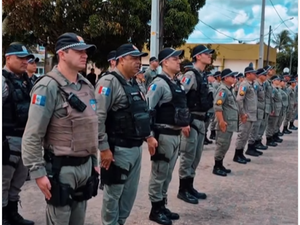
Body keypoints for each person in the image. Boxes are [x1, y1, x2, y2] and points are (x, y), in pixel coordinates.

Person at [22, 32, 100, 225]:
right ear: (62, 54)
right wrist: (38, 173)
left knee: (78, 220)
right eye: (79, 51)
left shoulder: (86, 86)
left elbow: (90, 126)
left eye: (86, 52)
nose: (85, 55)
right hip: (61, 169)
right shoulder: (48, 87)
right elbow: (32, 135)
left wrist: (94, 161)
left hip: (85, 167)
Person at [96, 44, 152, 225]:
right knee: (113, 195)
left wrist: (149, 136)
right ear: (120, 60)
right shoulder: (108, 82)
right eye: (133, 58)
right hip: (117, 150)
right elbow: (98, 117)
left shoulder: (135, 82)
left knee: (129, 195)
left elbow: (140, 114)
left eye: (139, 59)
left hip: (135, 148)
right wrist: (104, 148)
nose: (138, 63)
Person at [146, 47, 190, 225]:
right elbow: (147, 110)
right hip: (163, 135)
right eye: (175, 59)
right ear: (165, 62)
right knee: (159, 173)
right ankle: (155, 210)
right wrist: (149, 137)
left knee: (168, 174)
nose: (179, 61)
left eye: (179, 59)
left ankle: (162, 204)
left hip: (175, 134)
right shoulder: (159, 83)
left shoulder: (176, 82)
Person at [2, 43, 35, 225]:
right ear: (8, 58)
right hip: (7, 140)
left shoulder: (26, 80)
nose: (25, 61)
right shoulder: (3, 81)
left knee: (19, 180)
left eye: (26, 58)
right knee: (3, 182)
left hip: (25, 139)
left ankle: (13, 214)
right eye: (20, 58)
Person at [178, 45, 214, 204]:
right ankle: (182, 189)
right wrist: (183, 121)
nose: (210, 56)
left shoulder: (202, 75)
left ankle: (190, 186)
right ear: (198, 56)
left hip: (200, 120)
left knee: (196, 156)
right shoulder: (190, 75)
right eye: (207, 54)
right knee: (188, 154)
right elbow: (179, 97)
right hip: (191, 121)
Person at [212, 68, 239, 176]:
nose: (234, 78)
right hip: (224, 123)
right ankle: (216, 166)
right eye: (232, 76)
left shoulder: (229, 89)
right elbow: (217, 106)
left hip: (229, 123)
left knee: (225, 145)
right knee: (221, 144)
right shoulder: (223, 90)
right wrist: (221, 121)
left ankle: (220, 164)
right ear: (226, 78)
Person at [234, 66, 260, 164]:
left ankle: (241, 153)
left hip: (251, 115)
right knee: (242, 135)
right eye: (253, 73)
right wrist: (243, 113)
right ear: (248, 74)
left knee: (246, 135)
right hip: (246, 115)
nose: (255, 75)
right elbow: (239, 100)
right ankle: (237, 155)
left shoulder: (251, 84)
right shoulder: (244, 84)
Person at [258, 65, 277, 147]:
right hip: (263, 106)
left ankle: (259, 141)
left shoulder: (268, 82)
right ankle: (257, 142)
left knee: (263, 125)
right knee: (260, 125)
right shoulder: (264, 83)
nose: (271, 71)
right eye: (269, 70)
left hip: (267, 106)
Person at [252, 68, 268, 150]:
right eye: (264, 75)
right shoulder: (256, 84)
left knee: (259, 127)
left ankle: (257, 143)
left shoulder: (262, 84)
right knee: (255, 128)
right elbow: (254, 98)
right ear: (259, 75)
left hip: (261, 109)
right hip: (257, 109)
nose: (266, 76)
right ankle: (251, 147)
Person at [266, 75, 283, 145]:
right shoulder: (273, 89)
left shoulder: (277, 88)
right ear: (273, 81)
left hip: (278, 109)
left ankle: (273, 137)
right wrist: (272, 109)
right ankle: (269, 139)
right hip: (274, 109)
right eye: (277, 80)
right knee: (271, 125)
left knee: (275, 124)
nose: (279, 81)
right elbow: (271, 100)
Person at [204, 71, 215, 145]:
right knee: (205, 124)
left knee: (207, 123)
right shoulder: (205, 85)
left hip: (211, 108)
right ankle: (203, 137)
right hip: (207, 108)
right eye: (211, 76)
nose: (213, 77)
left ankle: (205, 137)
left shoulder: (211, 85)